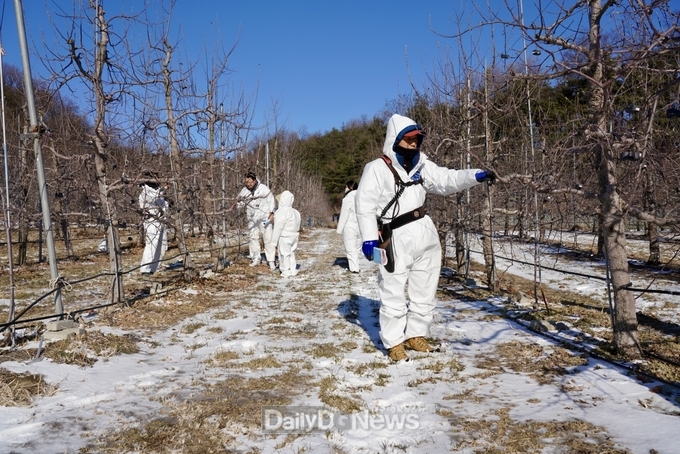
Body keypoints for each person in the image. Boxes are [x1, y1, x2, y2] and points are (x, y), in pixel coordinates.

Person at [355, 113, 496, 362]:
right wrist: (368, 238)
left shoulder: (423, 165)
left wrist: (475, 176)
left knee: (425, 287)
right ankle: (394, 341)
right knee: (393, 289)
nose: (413, 143)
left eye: (417, 138)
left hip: (425, 231)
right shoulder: (376, 168)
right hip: (395, 235)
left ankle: (416, 334)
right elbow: (364, 204)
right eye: (408, 138)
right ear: (395, 139)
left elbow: (446, 179)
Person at [237, 171, 277, 270]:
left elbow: (271, 201)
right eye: (247, 182)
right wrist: (239, 202)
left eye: (250, 181)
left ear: (254, 180)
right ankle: (256, 258)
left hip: (264, 218)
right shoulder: (244, 191)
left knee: (268, 239)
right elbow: (239, 204)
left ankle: (271, 260)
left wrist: (272, 213)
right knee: (253, 238)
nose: (248, 184)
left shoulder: (263, 189)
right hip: (252, 218)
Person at [139, 181, 169, 274]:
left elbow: (164, 205)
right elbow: (152, 199)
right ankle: (145, 269)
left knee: (160, 246)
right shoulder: (145, 193)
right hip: (151, 223)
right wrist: (162, 189)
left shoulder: (158, 194)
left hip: (160, 222)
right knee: (151, 246)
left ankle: (153, 267)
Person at [269, 190, 301, 277]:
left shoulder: (281, 212)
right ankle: (293, 269)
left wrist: (274, 242)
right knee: (292, 253)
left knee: (284, 254)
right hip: (294, 235)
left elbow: (278, 228)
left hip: (285, 236)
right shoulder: (296, 212)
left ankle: (286, 271)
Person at [336, 180, 362, 273]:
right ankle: (356, 265)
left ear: (350, 187)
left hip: (350, 225)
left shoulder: (348, 198)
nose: (345, 189)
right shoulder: (363, 196)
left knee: (350, 248)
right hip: (361, 226)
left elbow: (344, 214)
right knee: (357, 248)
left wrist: (339, 229)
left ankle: (354, 268)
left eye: (346, 187)